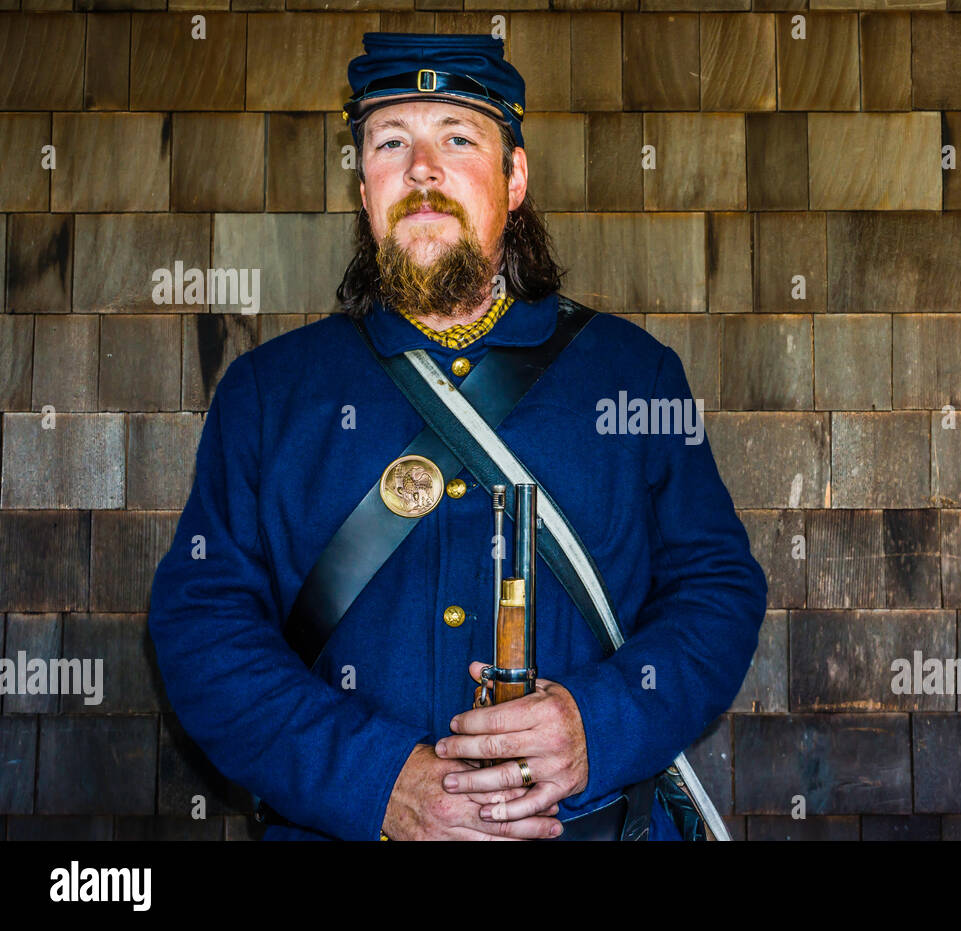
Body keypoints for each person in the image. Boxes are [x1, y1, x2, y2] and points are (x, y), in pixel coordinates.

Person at [147, 32, 767, 841]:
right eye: (391, 142)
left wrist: (597, 725)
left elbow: (717, 589)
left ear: (514, 180)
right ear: (366, 189)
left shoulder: (636, 376)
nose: (422, 169)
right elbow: (202, 624)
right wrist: (375, 782)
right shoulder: (269, 392)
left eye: (458, 138)